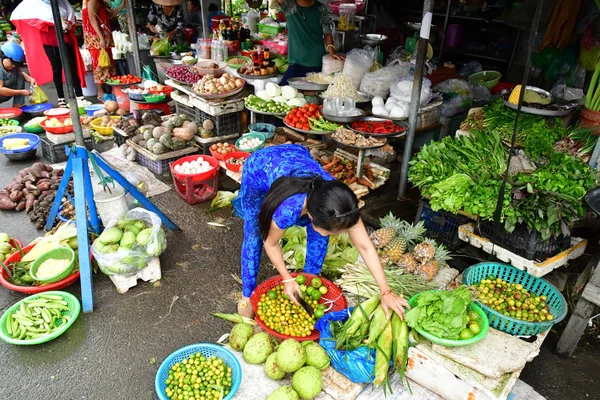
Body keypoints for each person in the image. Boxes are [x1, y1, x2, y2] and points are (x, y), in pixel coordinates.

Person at [234, 145, 409, 320]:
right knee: (254, 234)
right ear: (310, 215)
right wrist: (287, 278)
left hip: (297, 156)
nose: (327, 236)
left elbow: (366, 247)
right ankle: (247, 294)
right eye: (328, 231)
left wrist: (386, 291)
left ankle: (309, 284)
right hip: (259, 166)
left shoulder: (342, 205)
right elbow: (270, 242)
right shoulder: (289, 208)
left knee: (319, 239)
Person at [11, 0, 87, 107]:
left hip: (65, 38)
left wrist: (67, 24)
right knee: (56, 68)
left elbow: (70, 16)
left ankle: (79, 95)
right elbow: (28, 19)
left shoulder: (62, 2)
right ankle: (61, 99)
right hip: (49, 40)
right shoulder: (32, 4)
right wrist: (50, 24)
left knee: (71, 67)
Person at [277, 0, 344, 85]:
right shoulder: (289, 6)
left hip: (316, 61)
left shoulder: (320, 8)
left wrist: (332, 52)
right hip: (296, 61)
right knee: (285, 89)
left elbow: (327, 33)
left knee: (313, 93)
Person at [83, 0, 118, 101]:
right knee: (99, 66)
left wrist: (123, 5)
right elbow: (92, 19)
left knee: (109, 64)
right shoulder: (93, 1)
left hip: (103, 37)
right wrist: (101, 38)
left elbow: (110, 15)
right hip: (96, 38)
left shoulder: (100, 2)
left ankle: (112, 90)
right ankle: (101, 92)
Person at [0, 42, 35, 107]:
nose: (13, 66)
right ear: (3, 57)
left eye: (15, 64)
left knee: (20, 76)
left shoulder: (12, 68)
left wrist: (31, 79)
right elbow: (1, 90)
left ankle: (18, 106)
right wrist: (21, 92)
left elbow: (21, 74)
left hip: (4, 95)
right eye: (12, 63)